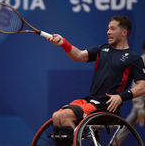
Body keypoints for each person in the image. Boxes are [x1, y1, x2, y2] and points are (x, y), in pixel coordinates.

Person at [47, 16, 145, 146]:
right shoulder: (102, 49)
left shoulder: (134, 58)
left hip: (107, 106)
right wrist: (63, 42)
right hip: (90, 101)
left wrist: (121, 97)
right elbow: (78, 55)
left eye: (112, 29)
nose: (108, 32)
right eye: (107, 28)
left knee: (65, 116)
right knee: (56, 116)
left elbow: (143, 86)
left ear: (124, 32)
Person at [117, 39, 145, 144]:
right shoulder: (140, 61)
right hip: (142, 100)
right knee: (131, 120)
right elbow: (138, 87)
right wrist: (140, 109)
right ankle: (115, 143)